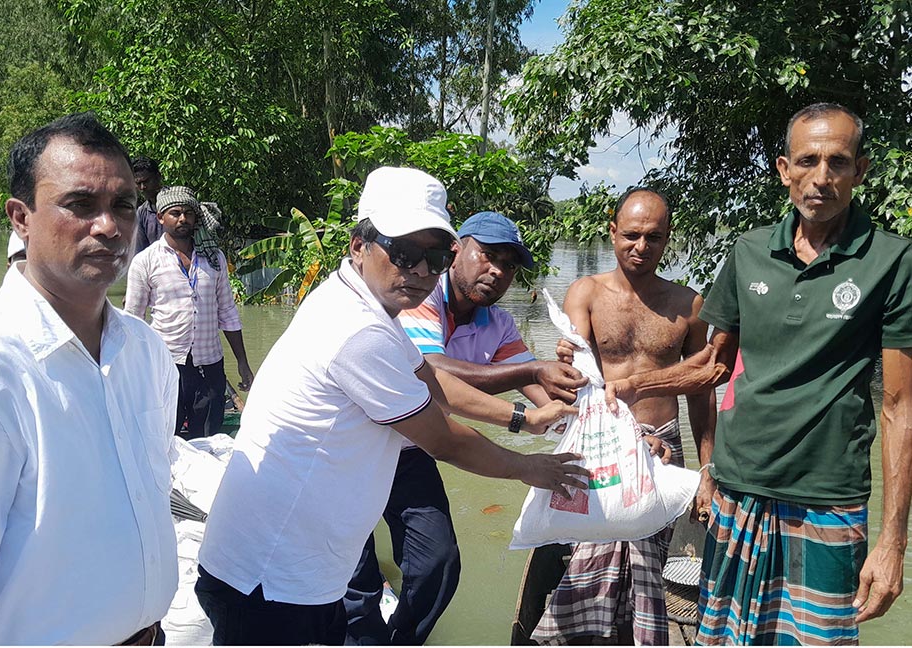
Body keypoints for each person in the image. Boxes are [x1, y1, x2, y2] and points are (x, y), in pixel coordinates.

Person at [193, 166, 590, 646]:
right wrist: (529, 468)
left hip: (297, 567)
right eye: (403, 252)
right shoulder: (358, 330)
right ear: (359, 246)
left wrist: (525, 420)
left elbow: (434, 379)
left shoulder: (367, 308)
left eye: (435, 256)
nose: (421, 271)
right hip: (271, 576)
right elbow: (443, 438)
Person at [604, 103, 912, 645]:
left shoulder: (892, 261)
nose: (821, 177)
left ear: (860, 171)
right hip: (736, 488)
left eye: (837, 162)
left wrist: (892, 543)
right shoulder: (749, 251)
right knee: (725, 638)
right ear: (783, 168)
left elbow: (899, 406)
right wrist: (633, 386)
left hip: (828, 494)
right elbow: (714, 365)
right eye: (808, 160)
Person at [0, 112, 178, 645]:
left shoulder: (145, 351)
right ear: (20, 218)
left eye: (122, 205)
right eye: (80, 205)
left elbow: (150, 489)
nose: (109, 226)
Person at [344, 211, 589, 645]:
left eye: (509, 265)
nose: (497, 271)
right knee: (353, 577)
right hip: (356, 444)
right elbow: (434, 373)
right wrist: (532, 377)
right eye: (488, 255)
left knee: (438, 564)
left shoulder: (498, 324)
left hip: (409, 449)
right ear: (456, 251)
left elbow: (541, 394)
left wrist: (583, 390)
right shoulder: (418, 292)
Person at [536, 188, 716, 645]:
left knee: (648, 570)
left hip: (665, 445)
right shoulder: (587, 292)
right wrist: (564, 356)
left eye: (653, 238)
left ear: (667, 239)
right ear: (613, 233)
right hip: (603, 440)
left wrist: (707, 471)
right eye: (631, 235)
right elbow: (578, 370)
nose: (641, 246)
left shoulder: (689, 306)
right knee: (590, 554)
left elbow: (701, 390)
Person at [125, 185, 254, 440]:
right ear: (161, 217)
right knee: (165, 435)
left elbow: (227, 311)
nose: (182, 219)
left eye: (188, 213)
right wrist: (132, 370)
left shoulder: (213, 258)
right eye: (175, 213)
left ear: (196, 218)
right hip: (166, 364)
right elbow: (133, 320)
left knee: (208, 436)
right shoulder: (145, 261)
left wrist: (242, 362)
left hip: (210, 364)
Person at [133, 155, 164, 254]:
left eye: (146, 181)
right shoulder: (142, 212)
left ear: (158, 177)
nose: (143, 187)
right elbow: (140, 250)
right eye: (138, 183)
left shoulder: (176, 203)